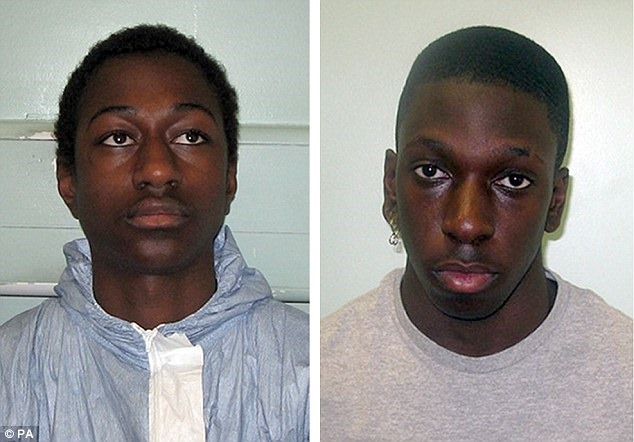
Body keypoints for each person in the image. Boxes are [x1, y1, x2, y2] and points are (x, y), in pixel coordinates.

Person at [320, 26, 632, 441]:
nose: (467, 223)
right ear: (391, 186)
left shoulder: (625, 380)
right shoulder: (318, 381)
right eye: (431, 171)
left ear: (555, 202)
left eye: (514, 181)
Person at [0, 24, 309, 441]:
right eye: (118, 137)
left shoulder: (312, 372)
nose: (157, 170)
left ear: (229, 175)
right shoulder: (11, 372)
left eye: (190, 136)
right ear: (68, 179)